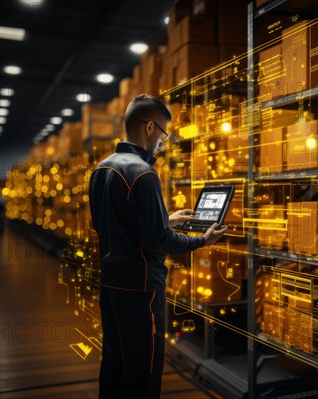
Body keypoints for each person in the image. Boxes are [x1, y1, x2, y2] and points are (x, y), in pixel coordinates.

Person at [89, 94, 227, 399]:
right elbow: (157, 241)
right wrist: (202, 240)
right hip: (142, 292)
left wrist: (167, 218)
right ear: (150, 127)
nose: (164, 141)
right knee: (143, 375)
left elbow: (116, 223)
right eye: (164, 133)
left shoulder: (102, 169)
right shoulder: (143, 174)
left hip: (111, 287)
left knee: (114, 367)